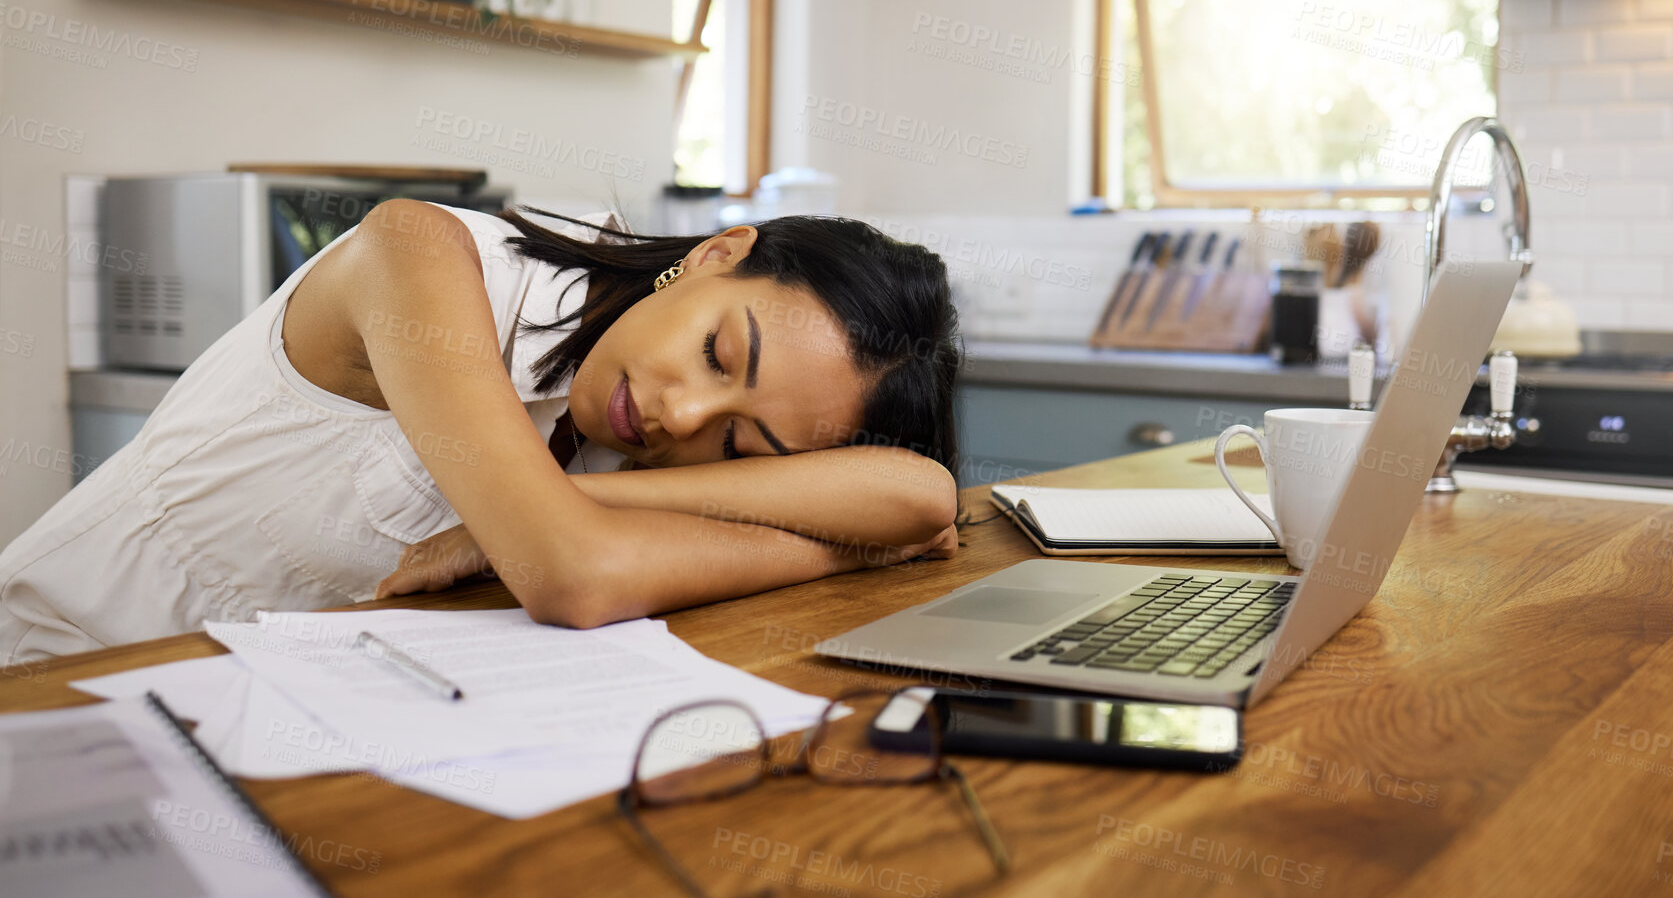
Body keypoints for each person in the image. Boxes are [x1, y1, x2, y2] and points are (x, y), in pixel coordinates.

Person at [0, 199, 962, 665]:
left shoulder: (617, 433)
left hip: (275, 699)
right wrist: (849, 553)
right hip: (69, 673)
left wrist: (589, 493)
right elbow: (578, 576)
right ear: (714, 256)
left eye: (743, 451)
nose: (682, 418)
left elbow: (919, 496)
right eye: (719, 354)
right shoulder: (418, 257)